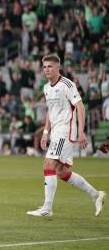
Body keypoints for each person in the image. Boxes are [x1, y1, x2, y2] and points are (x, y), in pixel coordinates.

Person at [27, 54, 106, 217]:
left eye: (50, 66)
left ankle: (47, 209)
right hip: (55, 131)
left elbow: (80, 107)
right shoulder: (46, 87)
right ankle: (96, 195)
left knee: (48, 165)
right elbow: (50, 111)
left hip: (66, 130)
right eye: (44, 67)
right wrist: (45, 133)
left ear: (58, 68)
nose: (46, 70)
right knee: (62, 172)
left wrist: (82, 131)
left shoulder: (67, 85)